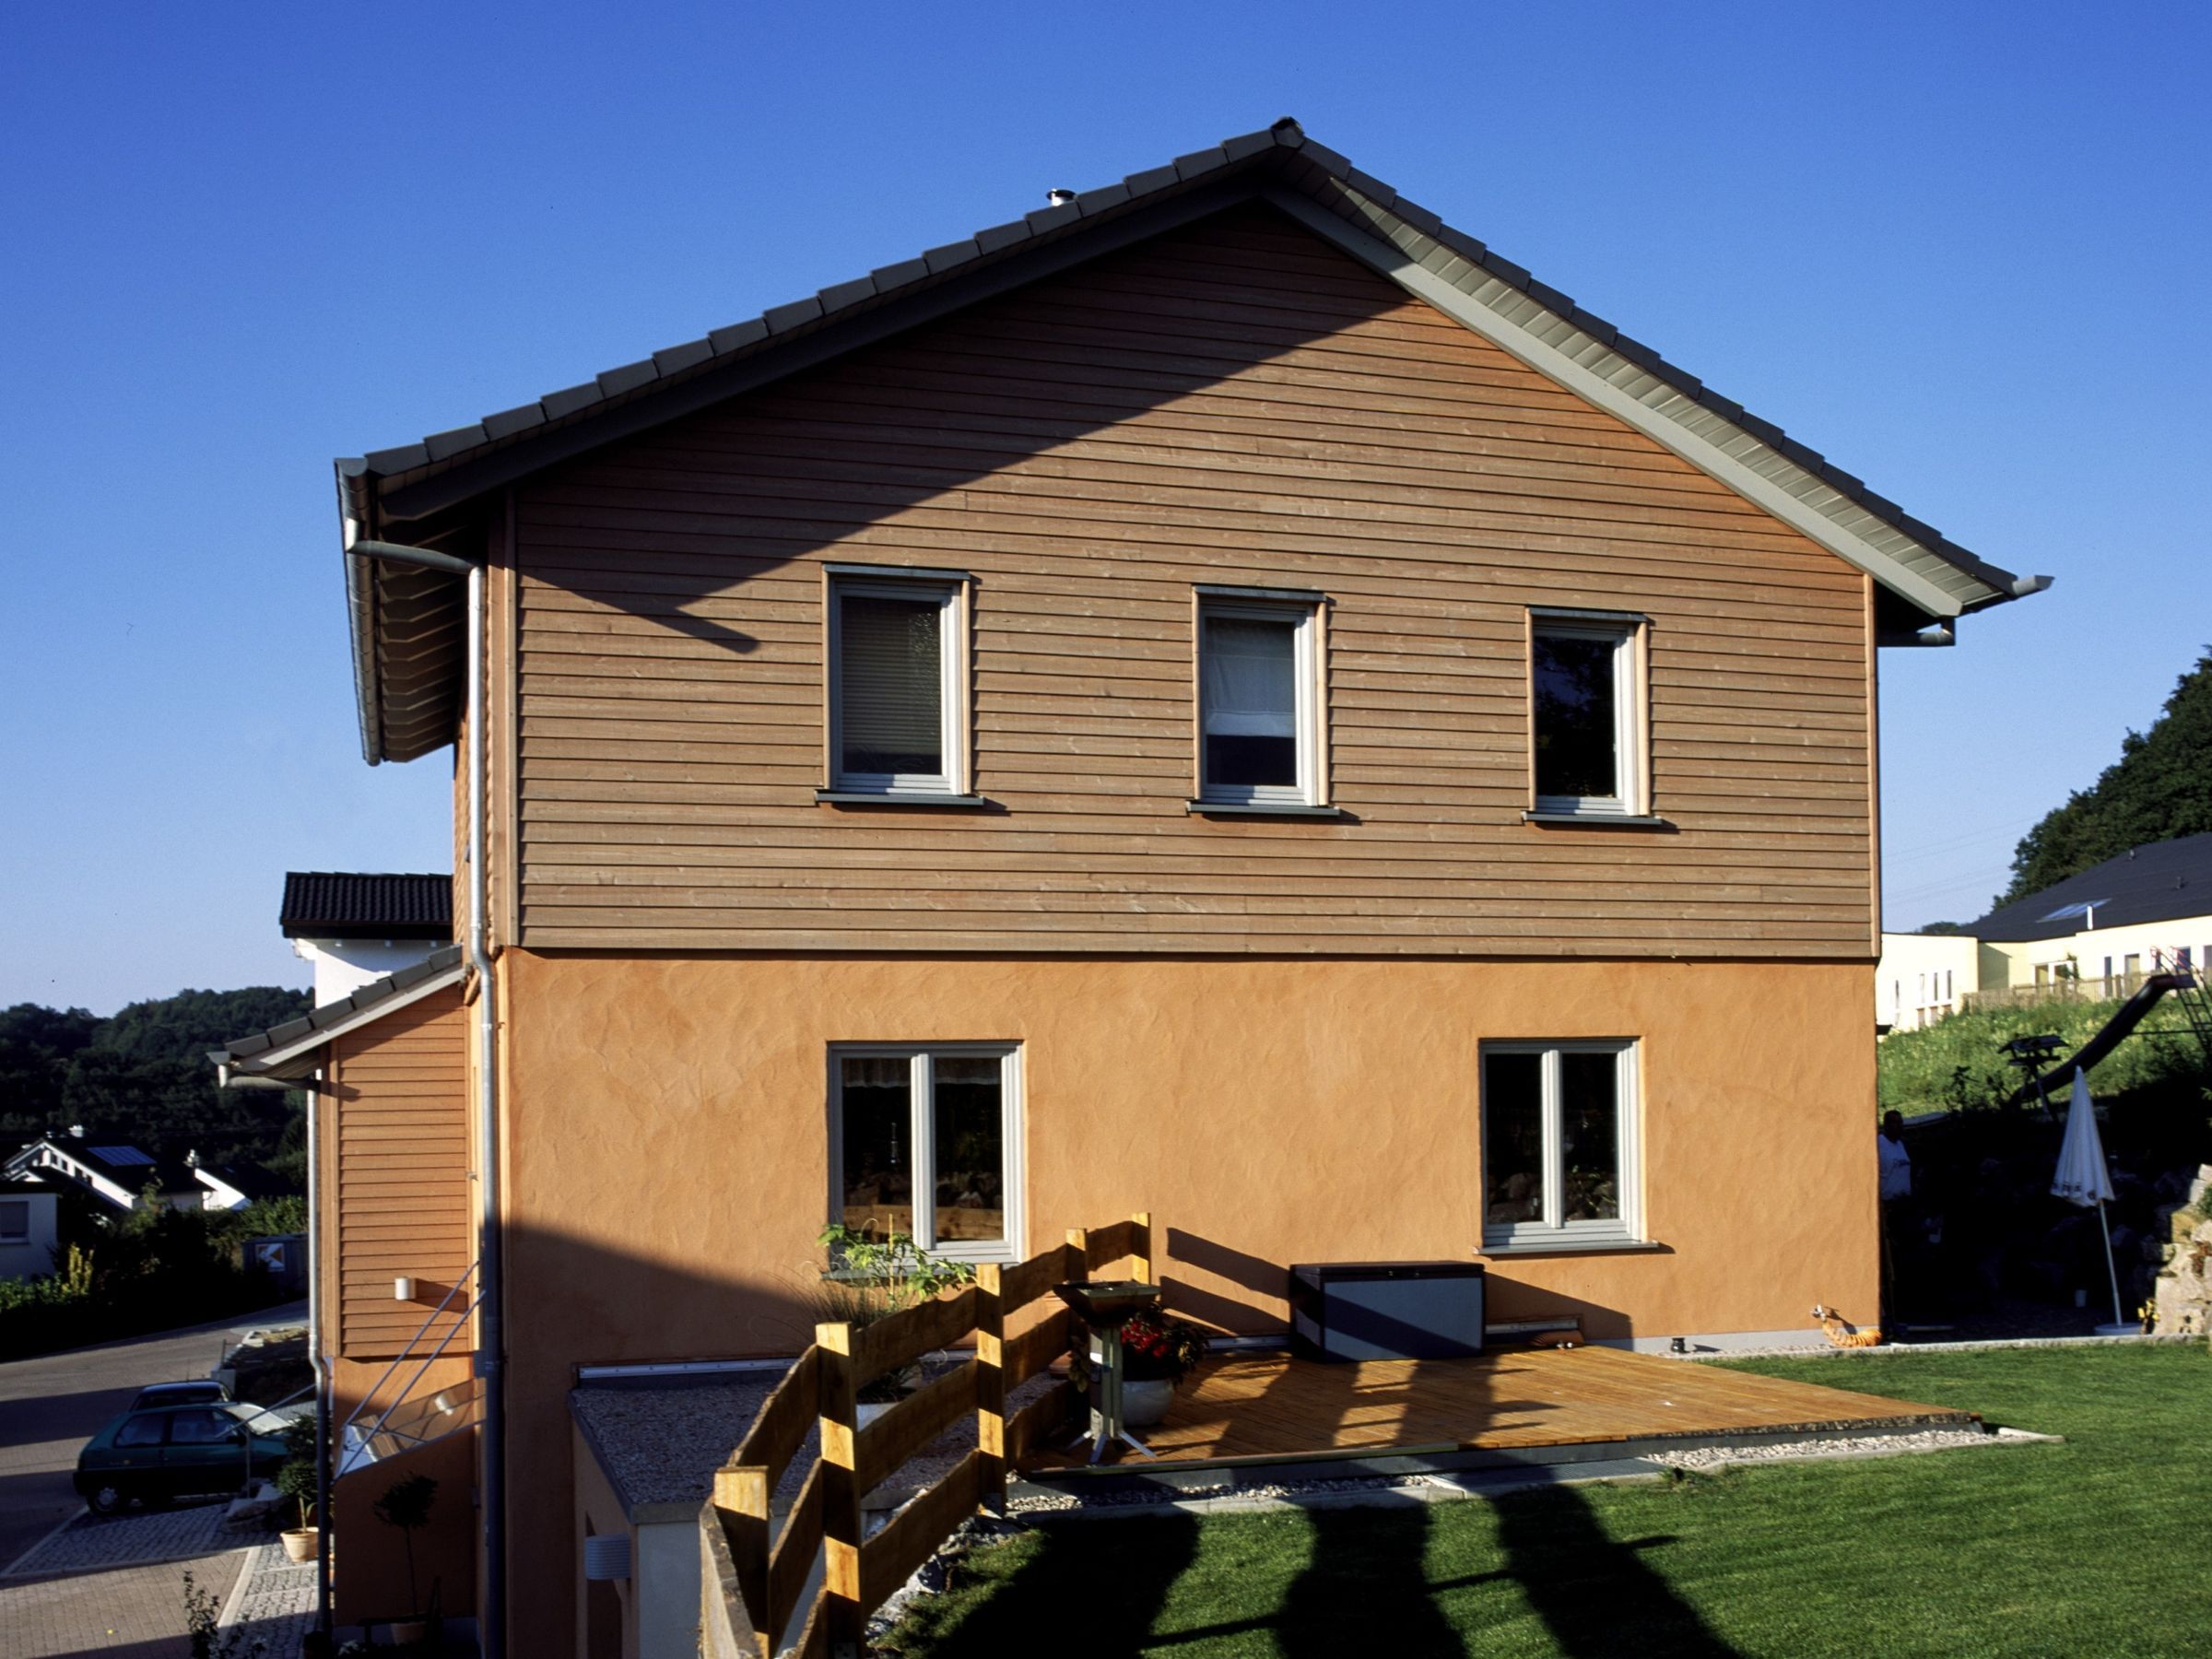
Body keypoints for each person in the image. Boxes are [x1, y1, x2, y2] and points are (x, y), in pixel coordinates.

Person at [1878, 1111, 1913, 1323]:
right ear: (1886, 1125)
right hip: (1888, 1206)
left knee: (1905, 1256)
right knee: (1892, 1257)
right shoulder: (1879, 1144)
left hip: (1904, 1204)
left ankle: (1904, 1303)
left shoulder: (1901, 1145)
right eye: (1894, 1123)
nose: (1898, 1127)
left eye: (1901, 1123)